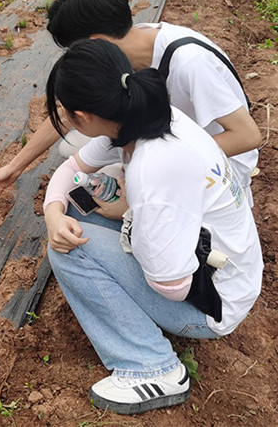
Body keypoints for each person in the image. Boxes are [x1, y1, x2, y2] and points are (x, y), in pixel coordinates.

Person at [42, 38, 263, 414]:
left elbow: (172, 283)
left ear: (81, 117)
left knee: (70, 250)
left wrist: (135, 227)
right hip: (227, 266)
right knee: (76, 208)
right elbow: (71, 169)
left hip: (212, 304)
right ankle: (139, 335)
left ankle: (152, 367)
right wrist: (52, 213)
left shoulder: (153, 170)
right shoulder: (146, 116)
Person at [0, 0, 261, 206]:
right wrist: (15, 167)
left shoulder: (190, 63)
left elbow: (247, 136)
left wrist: (153, 162)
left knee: (109, 198)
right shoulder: (131, 42)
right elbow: (68, 114)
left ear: (97, 40)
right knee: (73, 150)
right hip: (162, 132)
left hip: (218, 166)